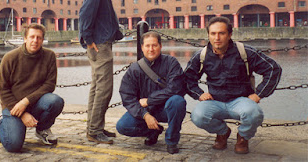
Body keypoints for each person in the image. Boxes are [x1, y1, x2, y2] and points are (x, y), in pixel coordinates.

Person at [185, 16, 282, 154]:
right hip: (215, 101)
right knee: (198, 116)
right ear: (208, 35)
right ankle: (223, 132)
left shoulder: (245, 52)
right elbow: (188, 78)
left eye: (221, 33)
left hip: (241, 100)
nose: (217, 37)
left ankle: (243, 136)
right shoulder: (202, 55)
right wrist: (199, 94)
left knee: (254, 113)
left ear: (230, 34)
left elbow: (273, 69)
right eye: (213, 33)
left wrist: (259, 94)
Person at [0, 23, 64, 152]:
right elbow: (2, 89)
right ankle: (1, 124)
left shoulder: (49, 56)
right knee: (13, 145)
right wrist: (22, 113)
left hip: (35, 103)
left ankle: (42, 129)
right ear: (25, 38)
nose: (35, 41)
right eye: (32, 37)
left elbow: (49, 85)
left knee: (55, 101)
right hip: (14, 106)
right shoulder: (10, 58)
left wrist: (26, 102)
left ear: (42, 40)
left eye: (39, 38)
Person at [116, 32, 186, 154]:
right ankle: (153, 131)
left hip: (165, 108)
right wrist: (145, 115)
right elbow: (127, 97)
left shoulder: (171, 63)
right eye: (147, 46)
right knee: (122, 126)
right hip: (145, 110)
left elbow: (175, 89)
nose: (151, 49)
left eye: (154, 45)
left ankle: (172, 140)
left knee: (178, 101)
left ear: (160, 46)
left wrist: (149, 100)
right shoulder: (134, 69)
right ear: (142, 48)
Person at [79, 0, 124, 144]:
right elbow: (84, 15)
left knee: (97, 88)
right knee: (104, 89)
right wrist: (89, 40)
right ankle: (95, 131)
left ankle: (94, 127)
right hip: (99, 45)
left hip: (100, 42)